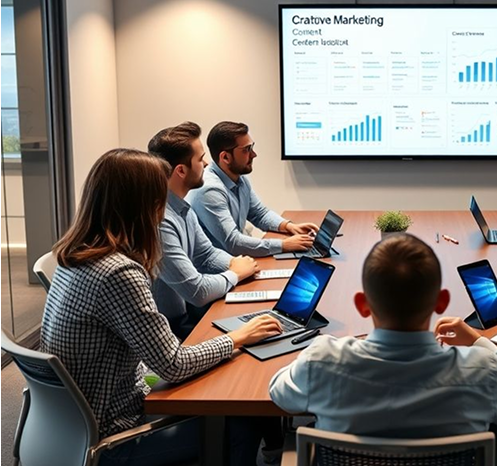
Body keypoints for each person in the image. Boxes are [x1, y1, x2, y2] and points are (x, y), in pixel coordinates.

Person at [40, 149, 282, 465]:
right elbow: (174, 364)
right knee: (240, 420)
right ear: (142, 204)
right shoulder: (118, 272)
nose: (163, 207)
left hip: (68, 427)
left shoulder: (75, 254)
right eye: (158, 197)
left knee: (221, 387)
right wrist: (239, 337)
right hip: (114, 436)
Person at [269, 234, 497, 437]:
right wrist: (481, 343)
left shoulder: (323, 360)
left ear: (362, 305)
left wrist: (335, 347)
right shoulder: (483, 370)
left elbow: (280, 393)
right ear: (442, 302)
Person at [148, 122, 259, 338]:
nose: (207, 164)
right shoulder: (160, 221)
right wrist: (235, 273)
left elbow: (206, 254)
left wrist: (237, 264)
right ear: (181, 170)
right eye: (200, 159)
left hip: (184, 318)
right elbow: (197, 292)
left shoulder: (182, 208)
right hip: (170, 331)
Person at [189, 121, 317, 257]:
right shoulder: (210, 190)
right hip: (217, 270)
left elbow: (259, 213)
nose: (253, 154)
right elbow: (233, 243)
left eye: (252, 148)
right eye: (246, 150)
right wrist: (283, 245)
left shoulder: (239, 178)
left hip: (236, 262)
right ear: (225, 157)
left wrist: (289, 226)